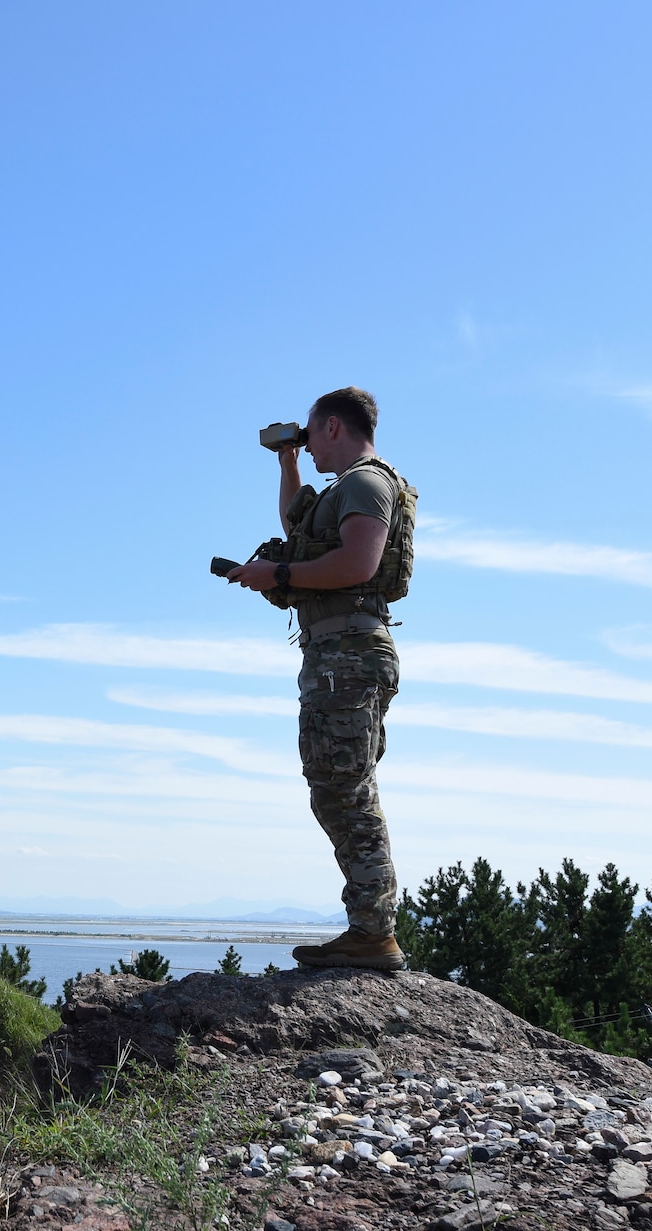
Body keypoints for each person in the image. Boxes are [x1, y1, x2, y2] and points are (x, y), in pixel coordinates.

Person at [227, 386, 412, 971]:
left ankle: (373, 930)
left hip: (349, 656)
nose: (306, 450)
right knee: (336, 783)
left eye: (308, 437)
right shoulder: (347, 488)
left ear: (332, 427)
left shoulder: (365, 482)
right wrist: (285, 464)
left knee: (344, 787)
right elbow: (300, 522)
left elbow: (357, 564)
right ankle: (369, 925)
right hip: (339, 654)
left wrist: (277, 571)